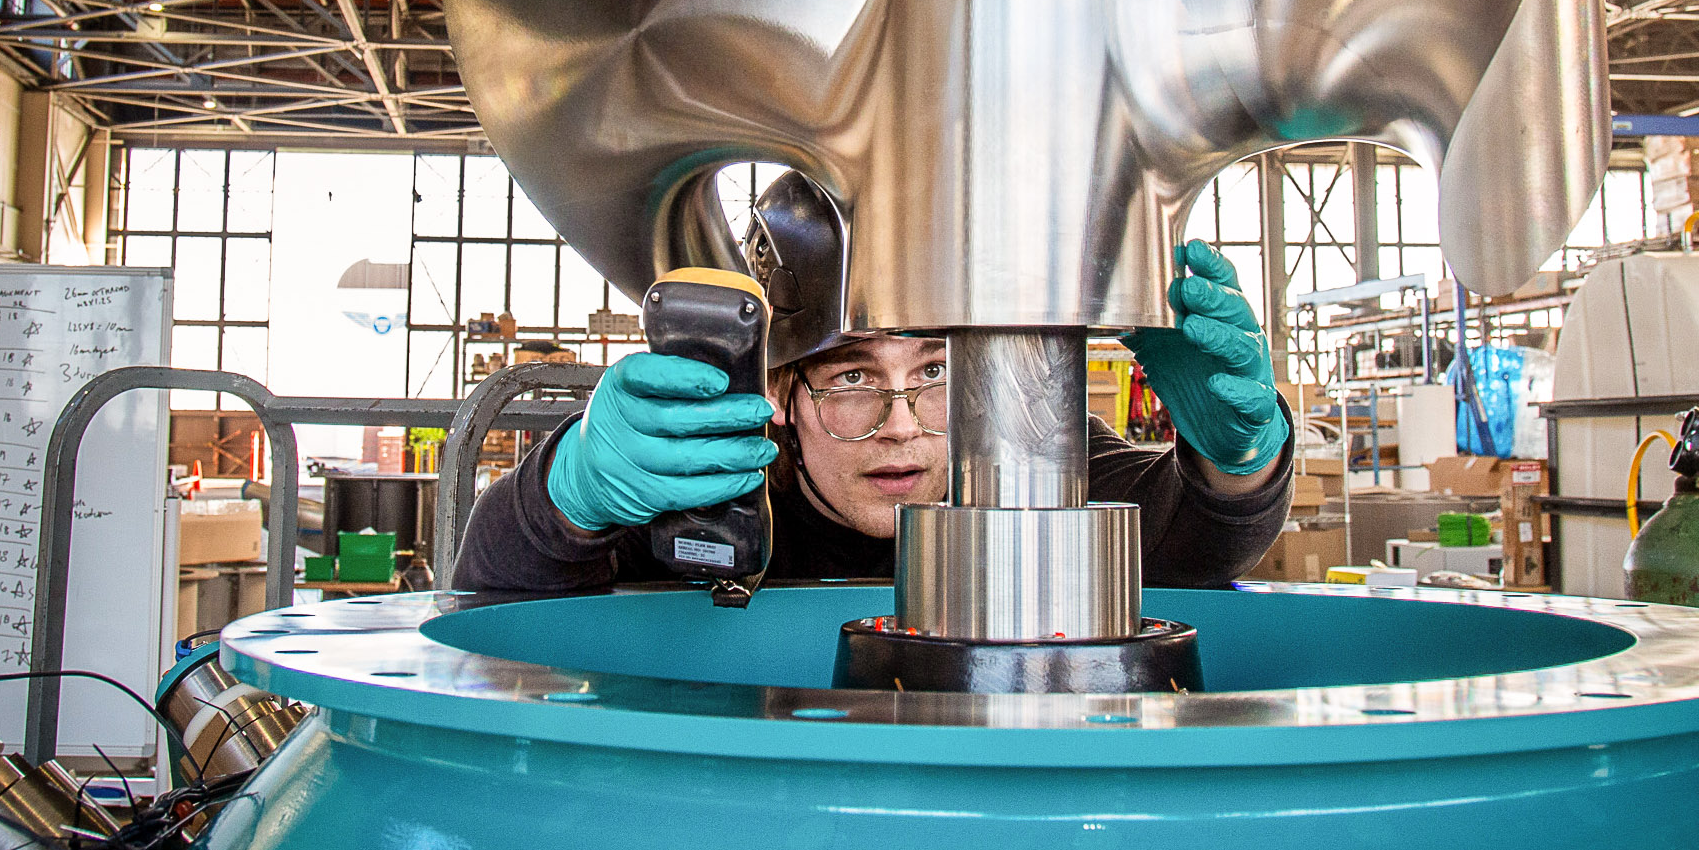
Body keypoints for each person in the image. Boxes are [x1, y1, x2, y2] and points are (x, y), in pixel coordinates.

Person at [453, 173, 1293, 591]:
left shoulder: (1025, 468)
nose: (902, 425)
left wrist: (1239, 464)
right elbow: (490, 592)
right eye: (853, 375)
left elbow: (1190, 545)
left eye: (933, 371)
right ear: (778, 391)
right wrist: (568, 491)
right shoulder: (711, 502)